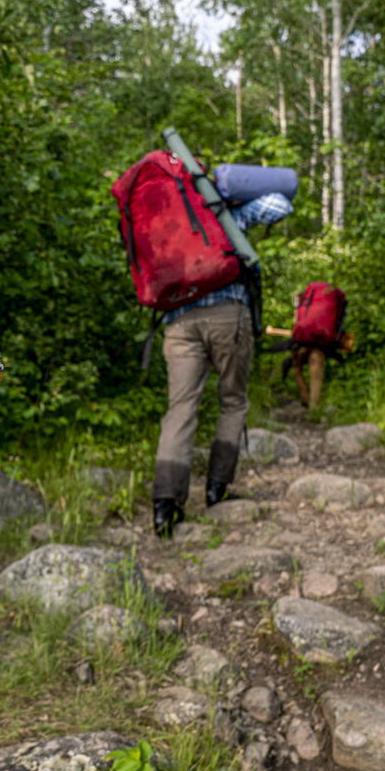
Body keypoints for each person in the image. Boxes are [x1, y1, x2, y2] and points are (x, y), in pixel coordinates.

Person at [152, 192, 292, 539]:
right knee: (233, 401)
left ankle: (165, 507)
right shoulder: (225, 214)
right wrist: (230, 193)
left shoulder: (167, 221)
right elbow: (280, 205)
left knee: (180, 409)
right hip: (228, 315)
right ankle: (217, 490)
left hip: (178, 321)